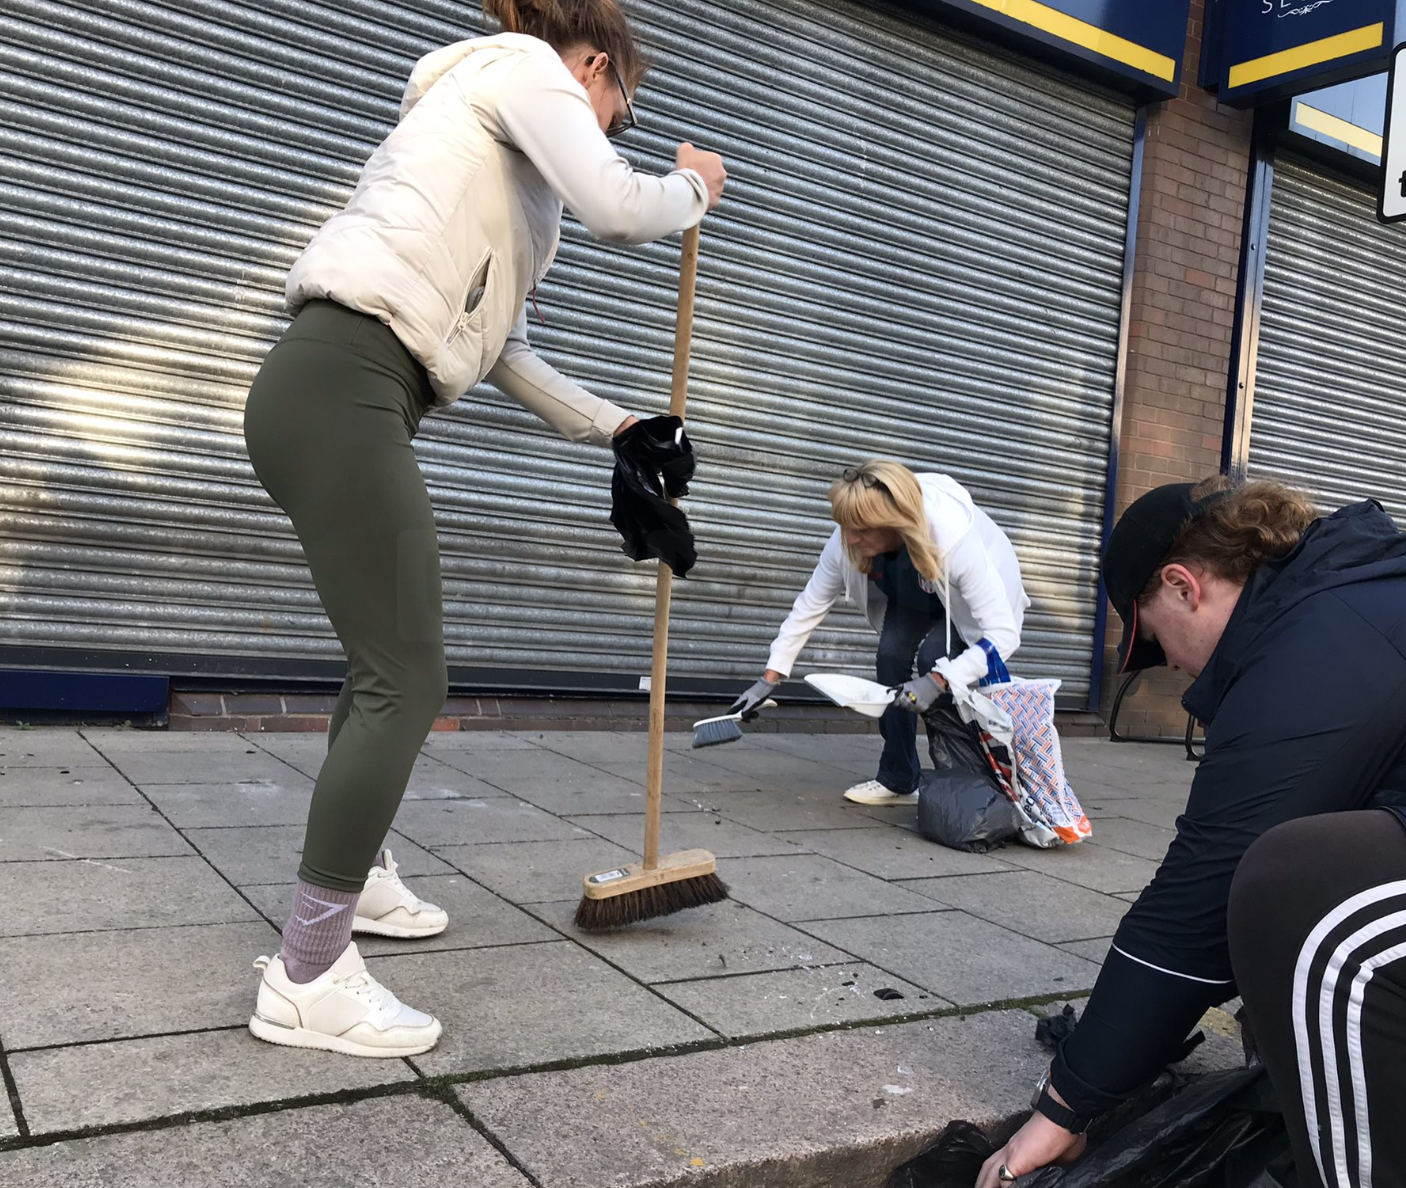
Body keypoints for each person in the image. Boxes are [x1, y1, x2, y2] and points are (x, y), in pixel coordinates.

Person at [241, 0, 727, 1058]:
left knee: (381, 665)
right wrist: (691, 188)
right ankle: (307, 977)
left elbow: (498, 349)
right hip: (342, 388)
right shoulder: (516, 67)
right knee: (405, 677)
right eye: (617, 113)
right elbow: (619, 207)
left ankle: (358, 884)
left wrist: (620, 425)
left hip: (340, 389)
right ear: (592, 67)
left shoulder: (486, 168)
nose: (604, 134)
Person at [977, 476, 1406, 1188]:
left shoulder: (1318, 644)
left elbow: (1195, 905)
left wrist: (1063, 1107)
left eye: (1153, 641)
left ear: (1183, 586)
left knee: (1298, 894)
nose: (1171, 666)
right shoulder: (1343, 596)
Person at [730, 460, 1029, 806]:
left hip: (964, 600)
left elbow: (1002, 634)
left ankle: (962, 781)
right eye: (845, 527)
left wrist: (937, 680)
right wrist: (770, 677)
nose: (851, 538)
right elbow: (810, 603)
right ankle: (900, 779)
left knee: (936, 661)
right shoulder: (847, 539)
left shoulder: (953, 537)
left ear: (896, 523)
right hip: (917, 593)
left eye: (863, 529)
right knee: (890, 657)